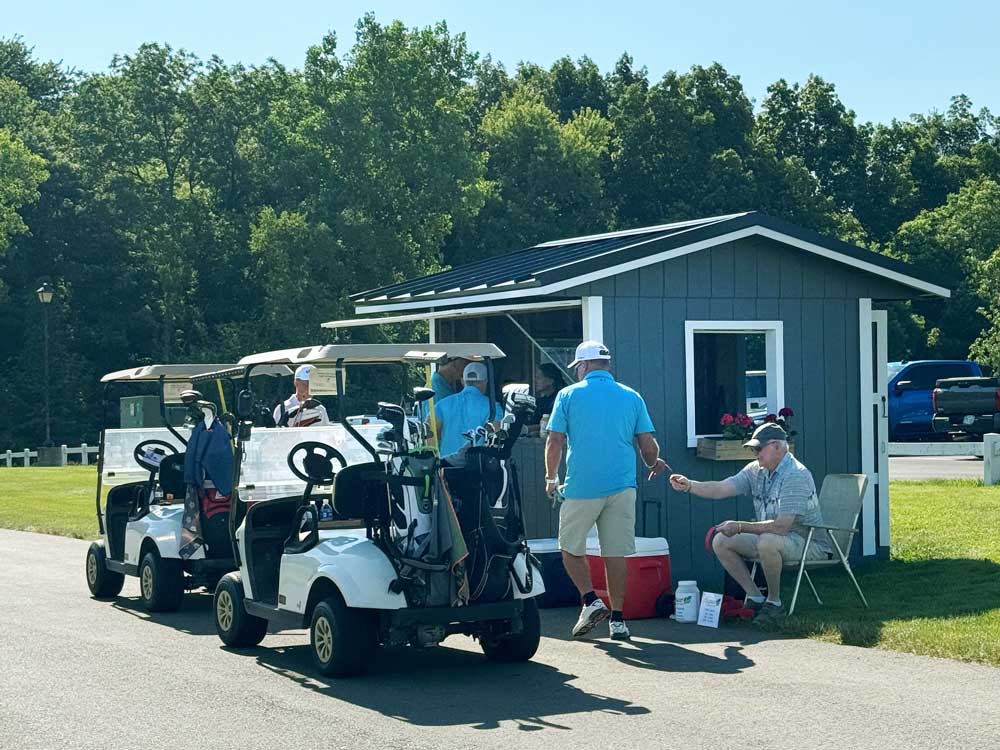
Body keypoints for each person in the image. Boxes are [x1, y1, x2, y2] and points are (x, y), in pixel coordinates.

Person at [544, 340, 670, 641]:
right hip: (623, 486)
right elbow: (647, 443)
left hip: (582, 485)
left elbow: (555, 440)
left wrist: (550, 477)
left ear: (584, 365)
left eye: (578, 366)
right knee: (616, 553)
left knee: (569, 548)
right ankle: (618, 620)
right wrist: (653, 463)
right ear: (606, 364)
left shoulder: (568, 395)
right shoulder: (631, 396)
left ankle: (591, 600)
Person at [668, 423, 830, 625]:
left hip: (808, 544)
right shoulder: (755, 470)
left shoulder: (796, 474)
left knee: (767, 541)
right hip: (775, 539)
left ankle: (774, 603)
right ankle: (755, 598)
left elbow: (781, 527)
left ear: (777, 446)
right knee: (721, 541)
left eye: (759, 448)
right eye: (754, 449)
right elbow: (721, 488)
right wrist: (690, 485)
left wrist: (740, 527)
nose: (755, 454)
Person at [434, 362, 503, 457]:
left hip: (447, 462)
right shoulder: (493, 407)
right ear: (486, 381)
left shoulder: (442, 405)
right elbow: (497, 436)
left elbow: (431, 434)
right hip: (477, 462)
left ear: (463, 381)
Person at [527, 362, 568, 427]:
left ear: (550, 381)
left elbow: (551, 424)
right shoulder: (540, 402)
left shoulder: (559, 401)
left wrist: (528, 429)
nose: (535, 380)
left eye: (538, 378)